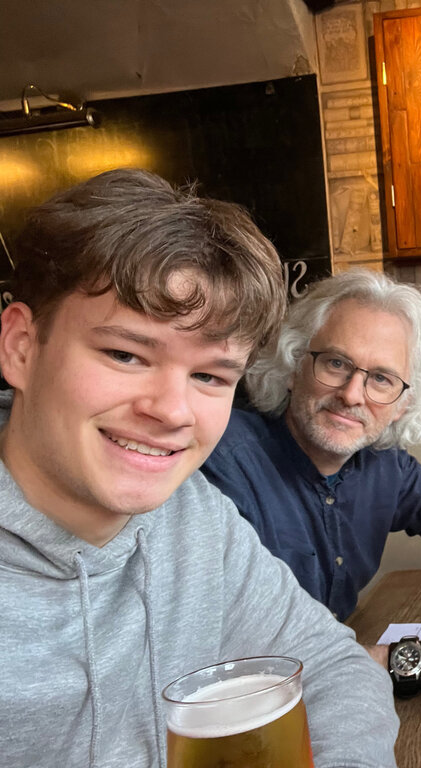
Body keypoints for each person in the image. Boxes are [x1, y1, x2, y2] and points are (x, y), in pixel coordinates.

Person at [0, 169, 399, 767]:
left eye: (209, 375)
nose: (171, 411)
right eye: (125, 354)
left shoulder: (193, 515)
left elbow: (331, 665)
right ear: (21, 348)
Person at [201, 268, 421, 696]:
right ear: (293, 366)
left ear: (402, 405)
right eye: (336, 363)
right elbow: (229, 665)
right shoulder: (222, 463)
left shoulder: (382, 463)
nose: (352, 394)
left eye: (381, 378)